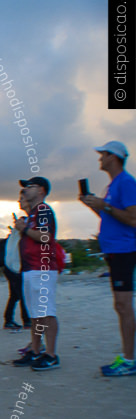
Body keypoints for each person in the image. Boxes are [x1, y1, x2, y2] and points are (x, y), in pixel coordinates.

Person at [79, 140, 136, 376]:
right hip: (116, 251)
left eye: (102, 154)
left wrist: (105, 206)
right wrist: (95, 206)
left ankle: (129, 360)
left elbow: (133, 219)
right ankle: (128, 356)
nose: (100, 158)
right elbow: (110, 215)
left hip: (125, 250)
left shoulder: (126, 183)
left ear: (113, 156)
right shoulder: (113, 186)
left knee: (124, 305)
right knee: (121, 305)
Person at [12, 177, 60, 371]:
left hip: (43, 268)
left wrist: (24, 229)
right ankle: (36, 350)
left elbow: (46, 237)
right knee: (35, 314)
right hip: (32, 268)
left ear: (41, 190)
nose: (24, 191)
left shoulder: (43, 210)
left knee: (46, 312)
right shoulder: (34, 213)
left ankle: (51, 354)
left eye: (29, 187)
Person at [0, 237, 30, 330]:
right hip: (16, 270)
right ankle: (26, 321)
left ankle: (8, 320)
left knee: (14, 296)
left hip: (7, 270)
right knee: (22, 295)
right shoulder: (16, 242)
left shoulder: (3, 242)